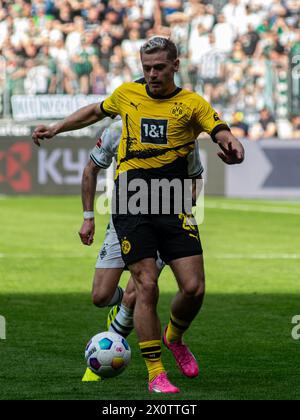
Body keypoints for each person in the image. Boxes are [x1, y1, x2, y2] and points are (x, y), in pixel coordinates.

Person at [32, 36, 244, 394]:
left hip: (173, 201)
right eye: (146, 68)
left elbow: (219, 130)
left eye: (159, 67)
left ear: (176, 65)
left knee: (194, 288)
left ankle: (174, 337)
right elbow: (94, 110)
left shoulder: (192, 104)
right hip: (132, 201)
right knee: (145, 286)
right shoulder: (128, 95)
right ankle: (155, 373)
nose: (152, 74)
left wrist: (231, 144)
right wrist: (56, 127)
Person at [79, 117, 204, 382]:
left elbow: (195, 176)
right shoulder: (119, 127)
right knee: (101, 296)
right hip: (124, 217)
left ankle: (154, 357)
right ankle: (123, 306)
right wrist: (88, 215)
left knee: (143, 289)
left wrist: (181, 207)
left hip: (163, 222)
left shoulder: (180, 124)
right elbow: (91, 168)